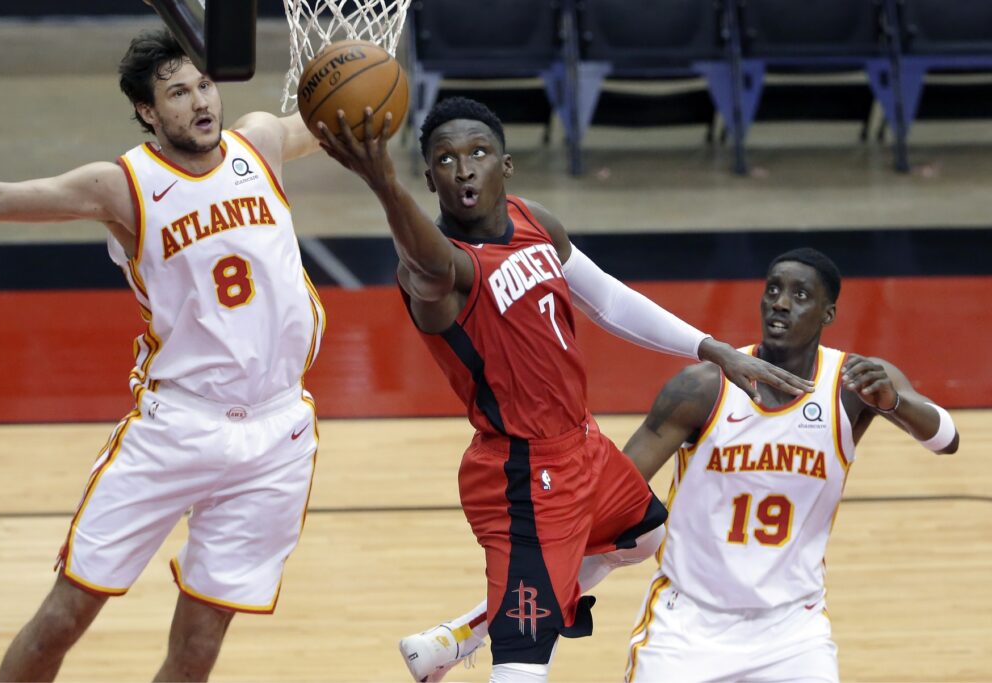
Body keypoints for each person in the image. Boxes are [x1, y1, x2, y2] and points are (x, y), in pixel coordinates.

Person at [314, 96, 813, 683]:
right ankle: (488, 636)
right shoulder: (441, 273)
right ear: (429, 179)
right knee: (524, 666)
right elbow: (423, 258)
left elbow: (605, 299)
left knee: (643, 536)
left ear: (506, 163)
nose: (465, 167)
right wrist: (382, 185)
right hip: (524, 478)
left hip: (581, 446)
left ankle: (452, 639)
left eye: (479, 152)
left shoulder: (534, 222)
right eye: (446, 160)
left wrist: (711, 347)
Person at [410, 247, 960, 682]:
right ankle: (470, 631)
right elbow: (605, 504)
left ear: (829, 312)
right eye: (772, 291)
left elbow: (947, 440)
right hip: (687, 627)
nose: (780, 303)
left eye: (799, 295)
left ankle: (465, 633)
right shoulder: (703, 387)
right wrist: (509, 604)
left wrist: (899, 403)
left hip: (794, 630)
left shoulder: (854, 385)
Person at [0, 28, 325, 682]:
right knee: (63, 616)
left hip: (277, 434)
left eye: (204, 85)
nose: (200, 103)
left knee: (198, 647)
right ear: (147, 112)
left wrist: (371, 74)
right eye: (178, 92)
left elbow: (340, 115)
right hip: (176, 428)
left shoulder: (260, 143)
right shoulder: (122, 184)